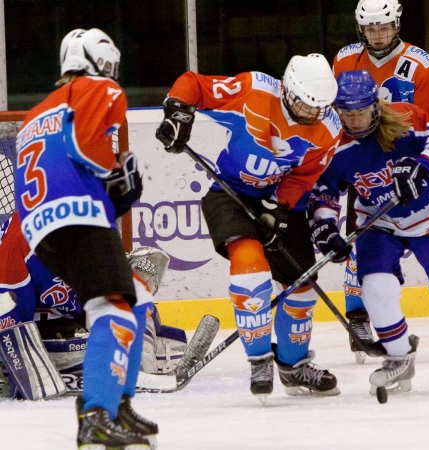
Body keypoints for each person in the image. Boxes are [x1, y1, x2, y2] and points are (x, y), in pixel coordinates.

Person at [155, 53, 344, 403]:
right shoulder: (254, 90)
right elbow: (193, 85)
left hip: (277, 202)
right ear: (288, 91)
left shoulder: (328, 127)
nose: (311, 115)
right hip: (229, 194)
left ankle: (293, 365)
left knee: (301, 287)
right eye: (305, 106)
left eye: (319, 108)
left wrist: (280, 207)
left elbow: (305, 174)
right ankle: (259, 359)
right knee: (249, 270)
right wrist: (179, 115)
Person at [13, 28, 156, 449]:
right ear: (98, 63)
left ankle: (118, 403)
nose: (114, 75)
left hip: (40, 228)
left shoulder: (34, 113)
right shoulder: (98, 88)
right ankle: (96, 414)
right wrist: (112, 174)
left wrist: (107, 198)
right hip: (77, 214)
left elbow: (47, 168)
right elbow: (86, 147)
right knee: (110, 306)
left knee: (136, 301)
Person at [309, 69, 429, 395]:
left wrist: (421, 167)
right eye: (346, 112)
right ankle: (399, 357)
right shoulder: (333, 144)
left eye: (361, 111)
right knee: (374, 285)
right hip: (378, 224)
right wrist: (325, 227)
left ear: (375, 105)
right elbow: (323, 192)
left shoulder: (406, 116)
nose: (354, 120)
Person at [332, 0, 429, 363]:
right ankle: (360, 317)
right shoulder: (344, 59)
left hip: (410, 169)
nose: (378, 34)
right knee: (362, 237)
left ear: (397, 24)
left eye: (384, 27)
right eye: (370, 28)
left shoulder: (422, 66)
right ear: (360, 28)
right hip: (363, 162)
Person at [0, 211, 185, 398]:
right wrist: (19, 366)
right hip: (22, 312)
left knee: (163, 338)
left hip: (53, 307)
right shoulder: (18, 246)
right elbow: (8, 319)